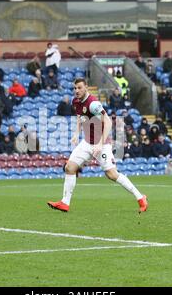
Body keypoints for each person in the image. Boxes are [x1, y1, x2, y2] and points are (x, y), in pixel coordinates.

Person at [47, 78, 148, 213]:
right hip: (87, 142)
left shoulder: (93, 104)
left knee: (111, 174)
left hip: (102, 144)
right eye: (75, 88)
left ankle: (141, 198)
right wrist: (77, 133)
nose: (76, 91)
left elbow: (108, 122)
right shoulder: (76, 101)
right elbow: (80, 116)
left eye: (79, 88)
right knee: (69, 167)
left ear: (86, 88)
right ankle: (65, 203)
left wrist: (100, 144)